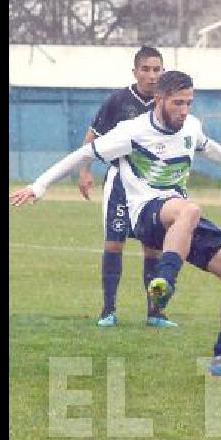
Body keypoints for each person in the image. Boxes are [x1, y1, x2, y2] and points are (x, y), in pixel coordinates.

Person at [10, 71, 221, 380]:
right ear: (159, 100)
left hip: (180, 221)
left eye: (189, 103)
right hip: (147, 216)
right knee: (189, 210)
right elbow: (83, 154)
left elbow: (212, 149)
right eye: (178, 103)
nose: (184, 110)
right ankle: (164, 282)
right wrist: (39, 186)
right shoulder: (132, 131)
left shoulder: (191, 127)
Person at [75, 46, 170, 328]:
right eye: (146, 69)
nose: (152, 75)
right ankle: (108, 310)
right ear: (135, 71)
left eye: (157, 69)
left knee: (153, 249)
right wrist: (85, 170)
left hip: (153, 186)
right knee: (114, 244)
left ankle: (155, 313)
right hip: (119, 181)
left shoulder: (166, 102)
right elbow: (94, 136)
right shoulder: (118, 101)